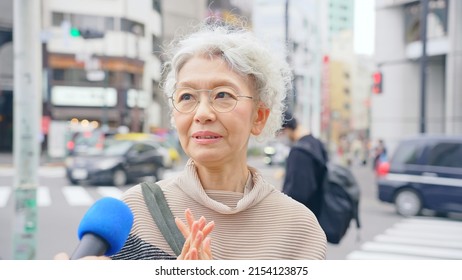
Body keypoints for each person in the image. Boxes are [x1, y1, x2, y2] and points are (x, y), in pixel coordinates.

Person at [56, 20, 326, 260]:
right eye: (186, 97)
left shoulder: (299, 230)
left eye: (223, 95)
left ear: (259, 117)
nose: (203, 113)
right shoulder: (133, 213)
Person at [280, 112, 328, 219]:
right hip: (319, 214)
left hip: (304, 222)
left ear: (286, 129)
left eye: (280, 134)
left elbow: (297, 193)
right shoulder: (316, 143)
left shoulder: (300, 152)